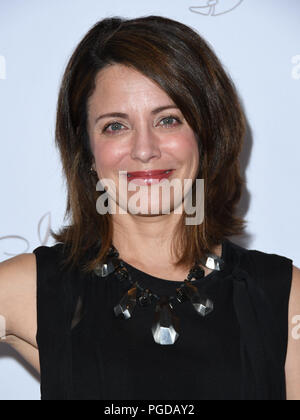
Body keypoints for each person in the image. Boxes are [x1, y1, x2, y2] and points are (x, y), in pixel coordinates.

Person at [0, 15, 299, 401]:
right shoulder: (32, 289)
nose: (144, 149)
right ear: (87, 150)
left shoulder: (281, 295)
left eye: (168, 120)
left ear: (207, 135)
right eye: (115, 126)